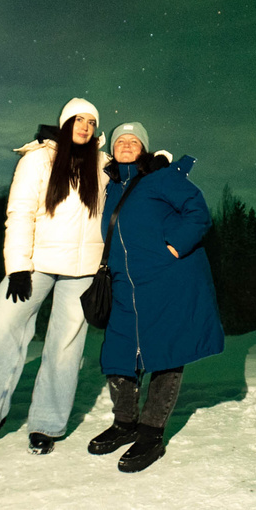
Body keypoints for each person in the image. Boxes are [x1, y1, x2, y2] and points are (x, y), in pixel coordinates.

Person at [0, 98, 108, 463]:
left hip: (83, 271)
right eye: (78, 119)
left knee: (65, 347)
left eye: (91, 122)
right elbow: (20, 213)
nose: (85, 126)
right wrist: (17, 268)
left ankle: (46, 424)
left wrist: (160, 160)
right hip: (36, 264)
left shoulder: (103, 165)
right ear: (65, 123)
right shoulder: (38, 159)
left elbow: (138, 164)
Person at [87, 121, 224, 473]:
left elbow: (198, 211)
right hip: (126, 286)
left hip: (167, 280)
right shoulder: (112, 187)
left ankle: (151, 433)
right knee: (118, 355)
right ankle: (124, 423)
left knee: (165, 352)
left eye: (134, 141)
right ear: (112, 149)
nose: (126, 144)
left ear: (144, 148)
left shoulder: (161, 178)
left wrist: (174, 247)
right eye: (120, 140)